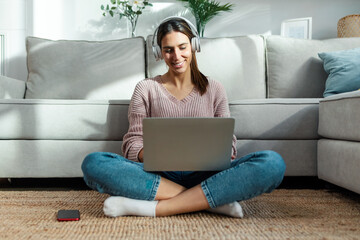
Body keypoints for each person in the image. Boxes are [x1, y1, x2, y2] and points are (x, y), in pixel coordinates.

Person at [81, 17, 286, 218]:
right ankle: (209, 200)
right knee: (94, 163)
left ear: (194, 46)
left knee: (272, 163)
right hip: (159, 175)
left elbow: (229, 144)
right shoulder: (146, 88)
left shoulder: (215, 88)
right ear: (159, 52)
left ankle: (154, 208)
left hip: (207, 173)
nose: (176, 56)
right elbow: (133, 142)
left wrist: (221, 154)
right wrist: (154, 156)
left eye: (182, 47)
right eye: (168, 50)